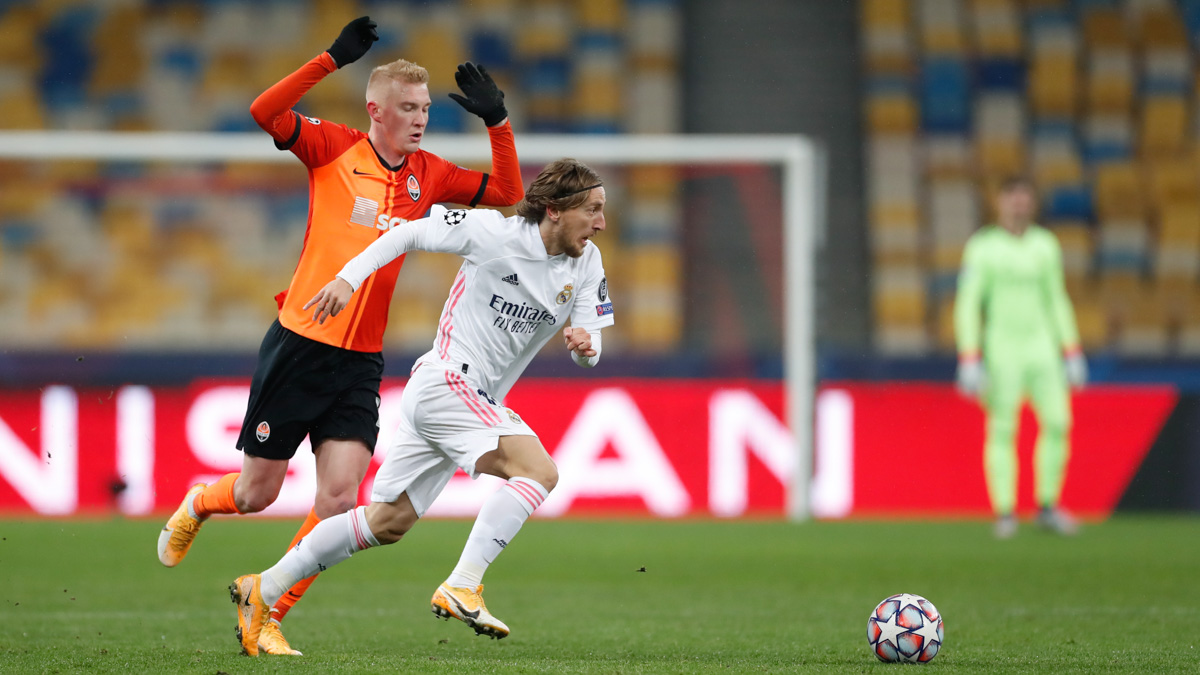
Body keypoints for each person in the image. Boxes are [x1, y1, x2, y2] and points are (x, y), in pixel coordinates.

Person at [156, 16, 524, 655]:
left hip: (360, 358)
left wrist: (497, 123)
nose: (420, 118)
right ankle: (199, 504)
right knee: (256, 491)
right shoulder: (333, 148)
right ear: (375, 109)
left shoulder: (430, 175)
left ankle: (266, 610)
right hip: (300, 342)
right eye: (408, 108)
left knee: (336, 501)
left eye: (427, 108)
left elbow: (511, 194)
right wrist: (329, 58)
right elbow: (264, 110)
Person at [227, 158, 612, 656]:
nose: (601, 222)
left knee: (387, 522)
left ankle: (266, 588)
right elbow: (406, 234)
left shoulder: (588, 261)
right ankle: (464, 583)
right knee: (538, 472)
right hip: (448, 382)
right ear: (556, 210)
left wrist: (586, 347)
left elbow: (592, 345)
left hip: (465, 399)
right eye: (593, 210)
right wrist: (348, 278)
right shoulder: (492, 233)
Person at [954, 176, 1088, 539]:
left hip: (1042, 349)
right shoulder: (983, 247)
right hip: (1002, 351)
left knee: (1059, 423)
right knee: (1002, 430)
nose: (1018, 204)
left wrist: (1071, 349)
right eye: (1012, 197)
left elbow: (1056, 299)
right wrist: (969, 355)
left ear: (1032, 204)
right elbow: (969, 304)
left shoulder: (1045, 245)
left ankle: (1046, 505)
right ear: (999, 202)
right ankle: (1005, 512)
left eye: (1025, 198)